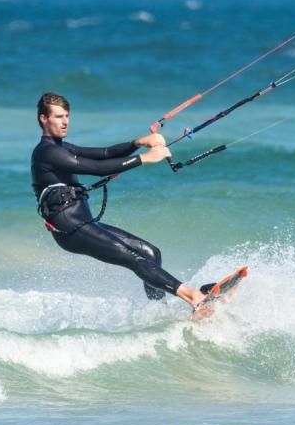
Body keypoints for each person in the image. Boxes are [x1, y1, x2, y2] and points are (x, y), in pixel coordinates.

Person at [31, 92, 212, 315]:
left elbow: (103, 154)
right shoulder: (46, 153)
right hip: (71, 229)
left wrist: (138, 143)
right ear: (43, 118)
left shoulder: (63, 147)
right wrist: (144, 158)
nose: (65, 121)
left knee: (151, 253)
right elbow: (97, 169)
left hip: (84, 223)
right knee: (135, 259)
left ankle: (159, 312)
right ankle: (194, 297)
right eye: (59, 116)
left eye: (67, 116)